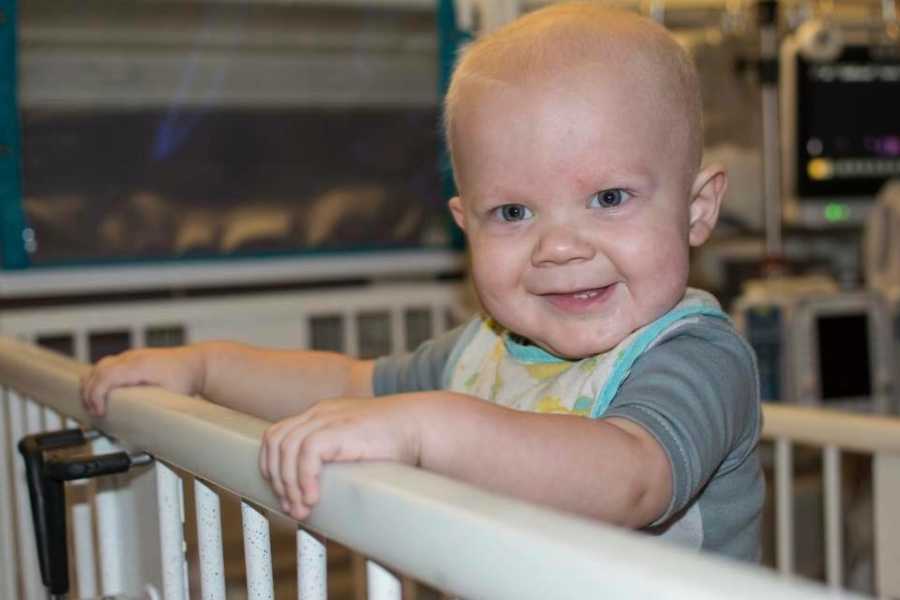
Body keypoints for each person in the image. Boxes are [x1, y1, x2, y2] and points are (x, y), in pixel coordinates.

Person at [82, 2, 763, 561]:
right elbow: (348, 385)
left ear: (698, 209)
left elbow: (631, 479)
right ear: (465, 224)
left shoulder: (693, 355)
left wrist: (430, 428)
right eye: (514, 212)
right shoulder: (484, 353)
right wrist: (204, 369)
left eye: (610, 198)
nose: (558, 246)